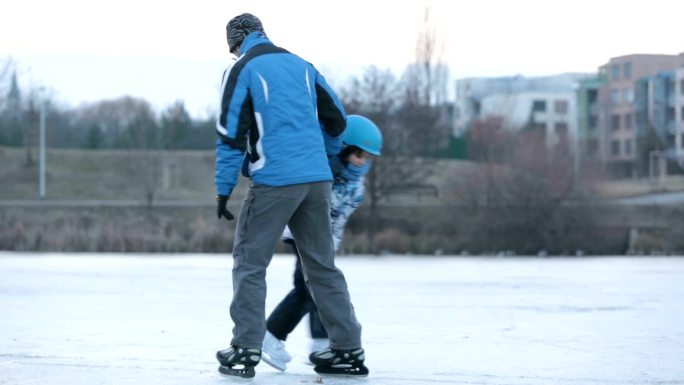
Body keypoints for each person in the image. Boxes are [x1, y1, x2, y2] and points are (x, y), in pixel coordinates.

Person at [213, 13, 368, 379]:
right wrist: (325, 159)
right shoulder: (303, 65)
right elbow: (337, 121)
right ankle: (347, 349)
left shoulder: (242, 69)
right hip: (317, 181)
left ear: (236, 42)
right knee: (321, 266)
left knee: (250, 263)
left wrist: (223, 189)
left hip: (275, 181)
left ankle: (246, 347)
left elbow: (231, 133)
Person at [261, 115, 383, 372]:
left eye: (367, 158)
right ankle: (270, 335)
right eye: (359, 155)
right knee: (308, 289)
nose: (363, 162)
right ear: (344, 149)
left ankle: (320, 341)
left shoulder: (353, 179)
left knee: (318, 288)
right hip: (305, 235)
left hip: (325, 241)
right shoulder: (326, 170)